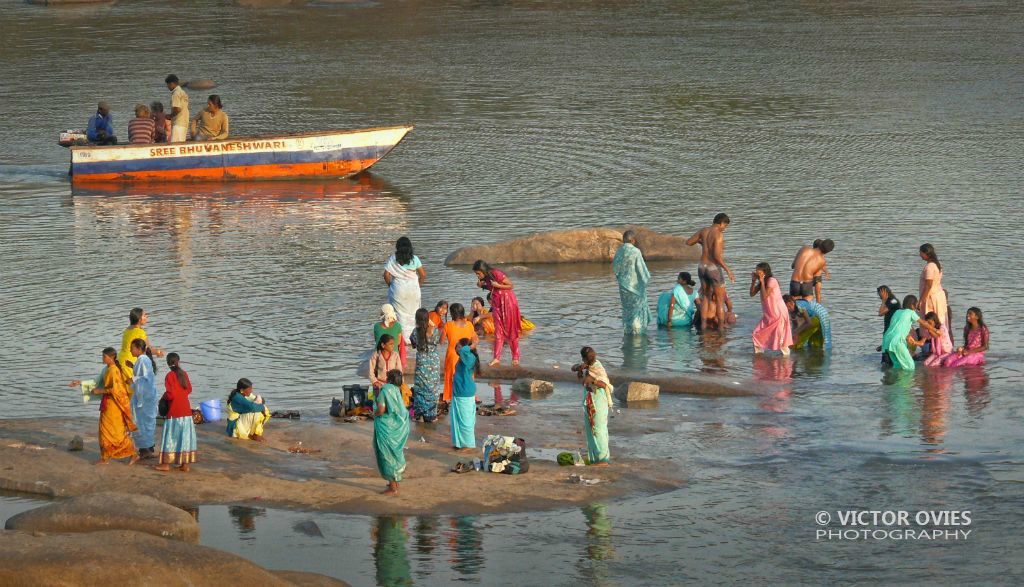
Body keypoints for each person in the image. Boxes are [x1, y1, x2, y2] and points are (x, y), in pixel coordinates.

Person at [77, 348, 139, 465]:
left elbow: (115, 390)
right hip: (109, 403)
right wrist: (80, 383)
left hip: (113, 406)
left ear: (111, 357)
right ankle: (105, 457)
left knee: (115, 432)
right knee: (105, 430)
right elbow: (97, 381)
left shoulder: (113, 370)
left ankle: (133, 454)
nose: (103, 358)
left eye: (104, 356)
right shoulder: (108, 369)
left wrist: (100, 391)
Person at [686, 214, 736, 329]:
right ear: (721, 223)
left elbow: (688, 242)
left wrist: (703, 243)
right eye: (725, 226)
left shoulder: (704, 231)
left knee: (706, 297)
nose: (725, 229)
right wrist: (728, 270)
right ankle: (721, 328)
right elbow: (717, 257)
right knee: (719, 299)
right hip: (713, 268)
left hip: (701, 267)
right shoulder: (718, 235)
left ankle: (703, 326)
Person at [473, 260, 522, 366]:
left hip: (508, 303)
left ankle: (515, 357)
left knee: (511, 330)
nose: (477, 275)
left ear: (483, 270)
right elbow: (492, 288)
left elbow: (511, 286)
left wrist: (498, 285)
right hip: (497, 305)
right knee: (498, 331)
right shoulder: (486, 278)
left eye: (478, 273)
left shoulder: (496, 273)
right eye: (476, 274)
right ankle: (496, 358)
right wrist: (481, 286)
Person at [155, 353, 197, 472]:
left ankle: (166, 464)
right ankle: (185, 464)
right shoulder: (184, 374)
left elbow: (171, 394)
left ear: (168, 363)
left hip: (175, 410)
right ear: (178, 361)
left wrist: (163, 398)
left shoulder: (170, 375)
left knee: (171, 437)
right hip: (186, 410)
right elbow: (189, 389)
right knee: (185, 437)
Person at [572, 346, 612, 466]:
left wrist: (592, 380)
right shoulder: (589, 366)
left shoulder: (597, 367)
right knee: (592, 429)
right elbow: (573, 368)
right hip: (591, 399)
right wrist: (580, 368)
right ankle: (596, 458)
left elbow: (605, 385)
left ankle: (602, 459)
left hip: (599, 400)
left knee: (598, 429)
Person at [374, 369, 411, 496]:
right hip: (397, 426)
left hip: (386, 426)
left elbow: (381, 409)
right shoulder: (397, 389)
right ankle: (393, 483)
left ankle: (393, 488)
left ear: (388, 378)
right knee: (394, 453)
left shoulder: (385, 389)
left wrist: (374, 414)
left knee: (386, 455)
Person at [881, 295, 941, 370]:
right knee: (910, 366)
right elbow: (924, 323)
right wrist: (935, 330)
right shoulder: (911, 312)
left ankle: (895, 381)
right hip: (897, 342)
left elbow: (896, 328)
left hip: (887, 340)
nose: (916, 308)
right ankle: (906, 381)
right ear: (912, 306)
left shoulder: (897, 312)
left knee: (897, 365)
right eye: (916, 305)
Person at [384, 237, 426, 343]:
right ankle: (413, 339)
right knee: (413, 314)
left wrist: (391, 285)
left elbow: (386, 275)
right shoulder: (415, 259)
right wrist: (418, 286)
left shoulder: (393, 259)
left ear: (397, 247)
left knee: (399, 314)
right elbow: (423, 275)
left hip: (398, 290)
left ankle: (401, 340)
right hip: (413, 290)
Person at [612, 230, 653, 334]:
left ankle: (629, 330)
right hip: (635, 287)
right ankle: (638, 331)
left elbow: (615, 268)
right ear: (633, 240)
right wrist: (645, 278)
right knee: (636, 309)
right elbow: (641, 269)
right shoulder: (635, 251)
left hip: (623, 286)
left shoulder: (619, 251)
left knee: (627, 308)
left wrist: (621, 279)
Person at [750, 262, 793, 355]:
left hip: (778, 313)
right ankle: (759, 356)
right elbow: (752, 294)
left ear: (764, 272)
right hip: (768, 315)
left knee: (781, 341)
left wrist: (761, 282)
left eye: (758, 270)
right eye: (756, 270)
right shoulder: (763, 282)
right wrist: (753, 281)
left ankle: (786, 362)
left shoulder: (771, 281)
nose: (756, 272)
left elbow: (765, 296)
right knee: (756, 334)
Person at [440, 303, 478, 403]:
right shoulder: (469, 325)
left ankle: (450, 397)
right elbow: (476, 340)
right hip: (466, 356)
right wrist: (468, 349)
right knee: (467, 375)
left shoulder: (448, 325)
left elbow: (441, 342)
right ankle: (470, 395)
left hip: (453, 355)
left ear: (452, 314)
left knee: (452, 377)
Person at [129, 338, 158, 458]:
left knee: (141, 422)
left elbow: (143, 380)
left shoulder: (142, 360)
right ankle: (148, 447)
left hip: (144, 398)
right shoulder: (142, 360)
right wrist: (132, 366)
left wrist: (132, 380)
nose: (130, 350)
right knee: (147, 422)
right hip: (149, 397)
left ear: (139, 349)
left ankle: (145, 449)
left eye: (132, 348)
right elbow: (144, 376)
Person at [410, 309, 441, 422]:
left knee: (420, 387)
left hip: (422, 361)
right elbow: (438, 341)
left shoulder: (415, 332)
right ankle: (431, 415)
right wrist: (432, 325)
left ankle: (420, 414)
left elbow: (413, 344)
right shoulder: (434, 330)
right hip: (433, 362)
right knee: (432, 387)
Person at [450, 338, 480, 451]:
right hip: (459, 392)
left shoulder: (469, 357)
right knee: (457, 420)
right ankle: (459, 443)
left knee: (466, 421)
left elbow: (463, 351)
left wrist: (473, 345)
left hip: (465, 392)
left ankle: (468, 445)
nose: (456, 348)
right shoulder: (463, 357)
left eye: (458, 346)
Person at [117, 307, 163, 380]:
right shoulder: (140, 332)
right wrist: (158, 352)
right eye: (144, 315)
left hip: (120, 360)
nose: (146, 316)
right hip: (130, 362)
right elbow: (147, 349)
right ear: (139, 319)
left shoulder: (127, 330)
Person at [918, 244, 948, 330]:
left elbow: (928, 285)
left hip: (930, 297)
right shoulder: (937, 264)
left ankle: (930, 340)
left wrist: (921, 301)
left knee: (930, 320)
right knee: (938, 318)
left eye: (920, 252)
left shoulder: (930, 267)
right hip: (938, 295)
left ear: (925, 253)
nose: (919, 255)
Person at [373, 304, 407, 370]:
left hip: (379, 356)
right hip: (394, 357)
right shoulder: (397, 326)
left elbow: (376, 340)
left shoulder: (376, 326)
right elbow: (398, 342)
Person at [370, 333, 402, 400]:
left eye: (393, 344)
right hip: (379, 384)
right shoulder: (376, 355)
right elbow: (370, 371)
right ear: (383, 345)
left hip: (393, 385)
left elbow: (399, 371)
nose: (393, 346)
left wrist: (399, 384)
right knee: (379, 403)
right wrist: (375, 382)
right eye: (390, 344)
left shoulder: (395, 355)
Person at [165, 74, 190, 143]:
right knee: (181, 144)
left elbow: (177, 109)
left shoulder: (175, 93)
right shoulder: (183, 92)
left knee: (175, 145)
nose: (167, 87)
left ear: (172, 83)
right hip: (184, 121)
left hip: (178, 123)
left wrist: (170, 116)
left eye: (168, 85)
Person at [876, 286, 901, 351]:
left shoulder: (893, 300)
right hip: (889, 329)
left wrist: (883, 300)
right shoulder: (889, 301)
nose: (879, 296)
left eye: (880, 294)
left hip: (893, 329)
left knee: (888, 352)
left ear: (885, 293)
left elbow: (880, 313)